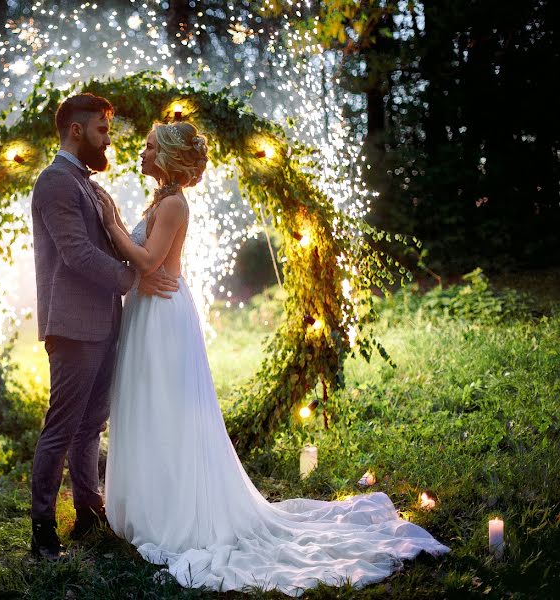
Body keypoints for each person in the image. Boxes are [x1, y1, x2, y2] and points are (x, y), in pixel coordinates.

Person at [96, 121, 450, 595]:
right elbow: (145, 264)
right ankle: (148, 501)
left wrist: (110, 220)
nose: (141, 153)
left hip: (163, 316)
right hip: (146, 309)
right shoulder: (162, 200)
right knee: (147, 407)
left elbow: (147, 263)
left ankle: (174, 510)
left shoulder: (176, 204)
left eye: (149, 147)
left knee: (168, 410)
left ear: (170, 156)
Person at [29, 94, 179, 560]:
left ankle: (90, 512)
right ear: (76, 130)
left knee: (91, 424)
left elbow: (110, 242)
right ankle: (42, 531)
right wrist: (132, 277)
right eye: (101, 130)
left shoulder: (88, 183)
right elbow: (76, 253)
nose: (107, 140)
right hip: (73, 326)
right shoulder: (56, 182)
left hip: (103, 321)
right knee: (62, 426)